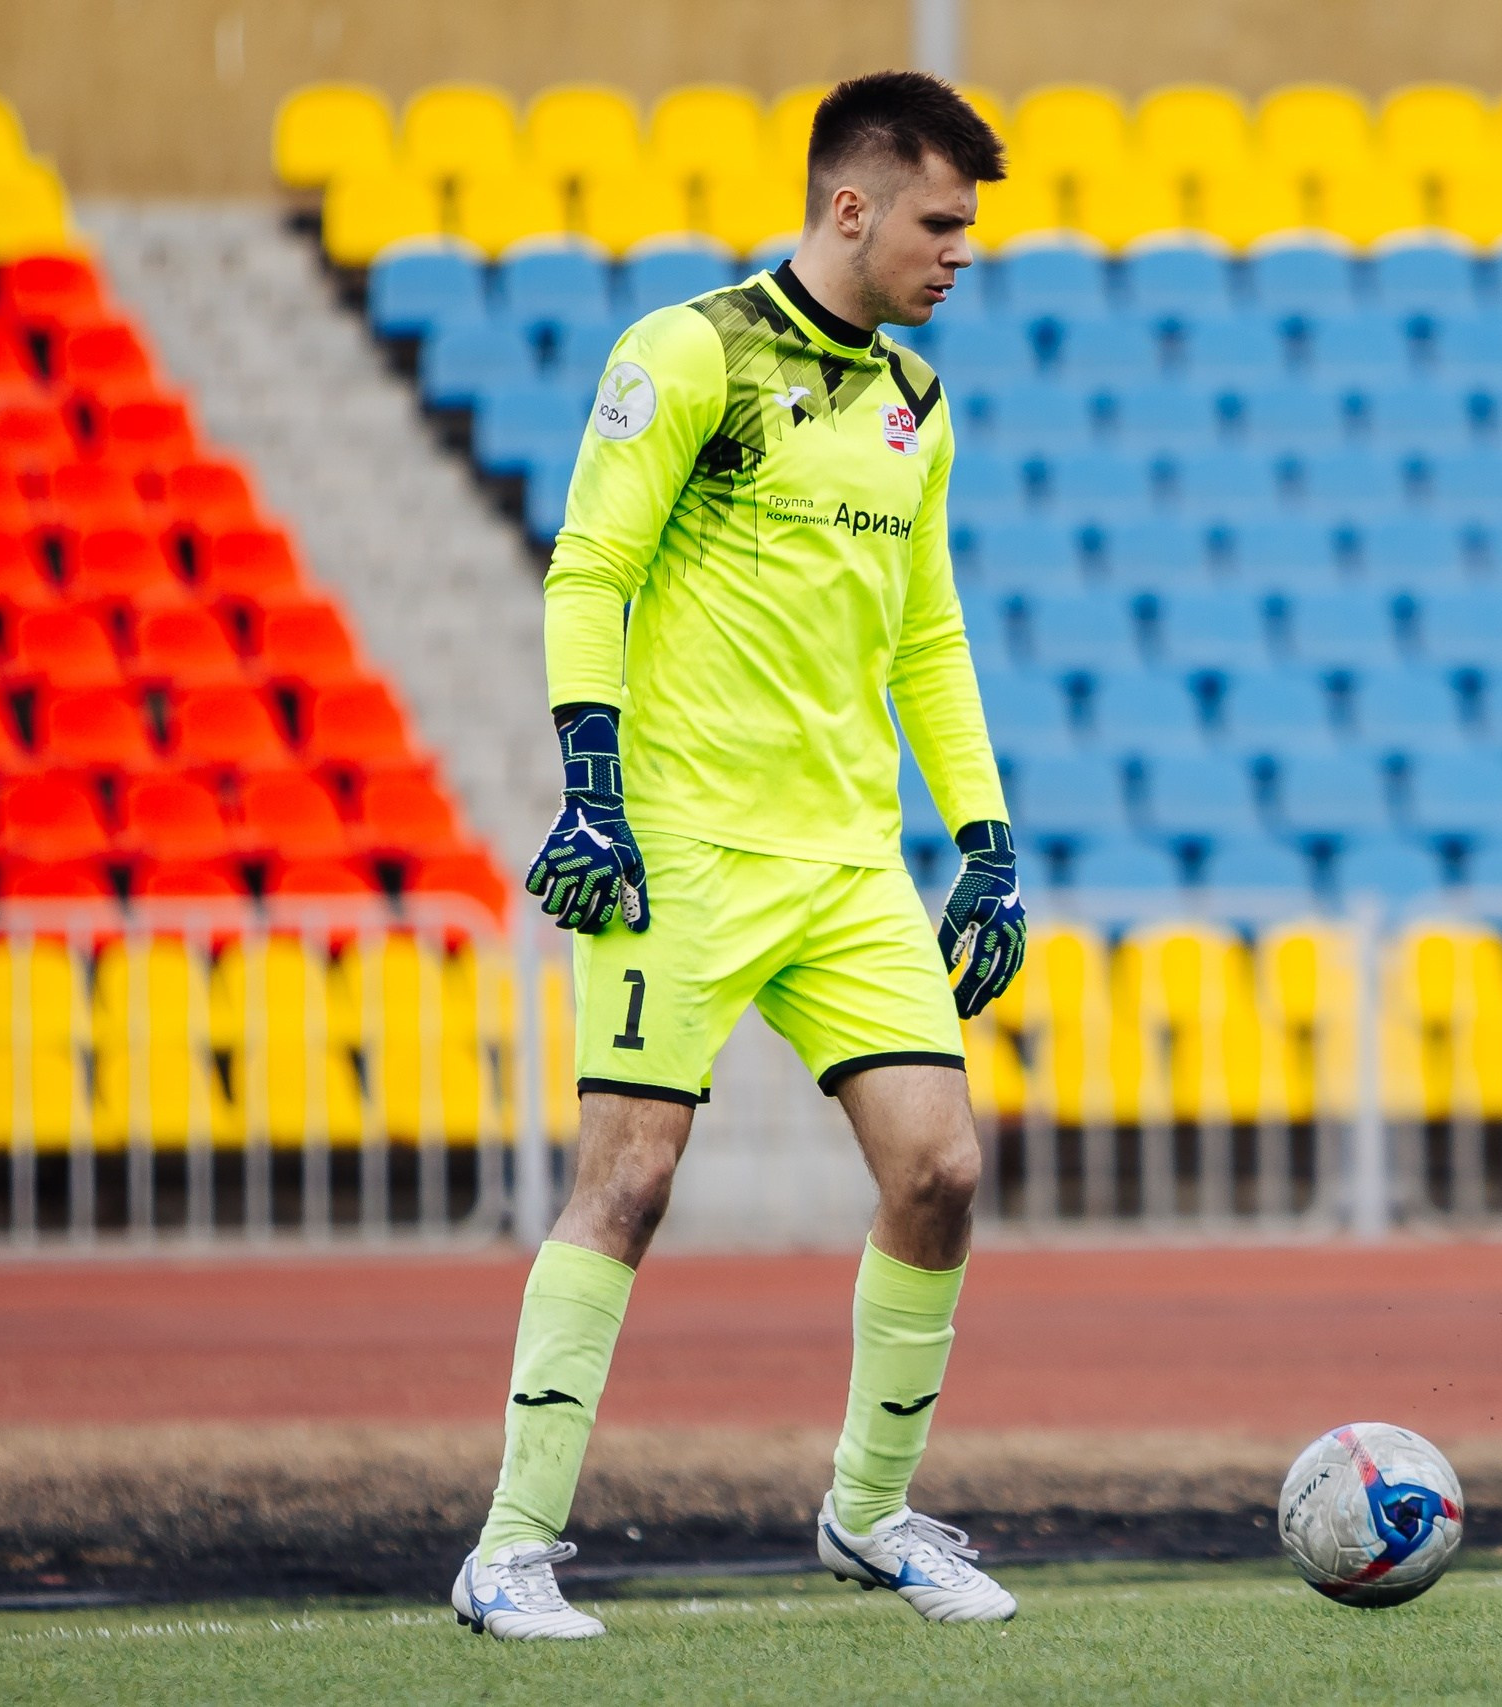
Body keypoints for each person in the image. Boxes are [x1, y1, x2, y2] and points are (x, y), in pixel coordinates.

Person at [452, 71, 1028, 1640]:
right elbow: (591, 569)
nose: (959, 251)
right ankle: (509, 1544)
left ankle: (868, 1510)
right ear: (852, 207)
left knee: (944, 1165)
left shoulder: (918, 400)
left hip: (850, 862)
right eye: (939, 221)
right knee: (627, 1182)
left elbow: (927, 636)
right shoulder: (689, 350)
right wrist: (592, 791)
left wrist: (982, 838)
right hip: (682, 849)